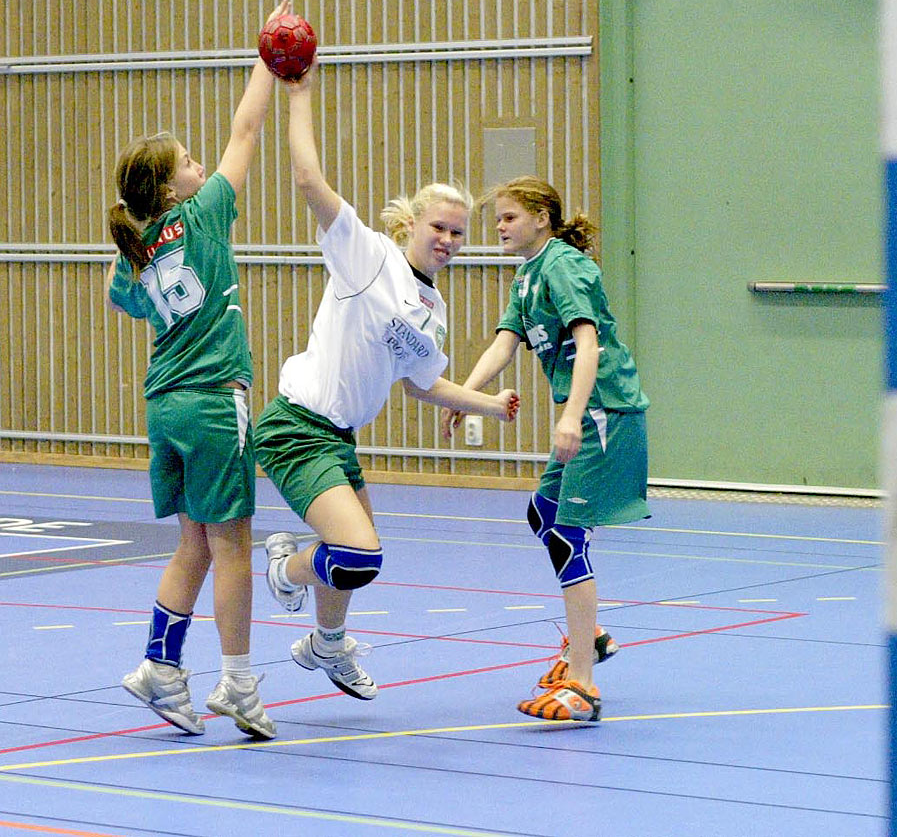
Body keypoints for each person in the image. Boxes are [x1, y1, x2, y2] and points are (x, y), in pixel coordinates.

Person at [254, 59, 519, 701]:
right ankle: (286, 572)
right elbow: (308, 178)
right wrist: (300, 94)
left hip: (338, 438)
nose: (449, 240)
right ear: (412, 227)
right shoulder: (367, 254)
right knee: (359, 557)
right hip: (297, 426)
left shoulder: (434, 310)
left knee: (353, 562)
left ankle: (325, 645)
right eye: (439, 228)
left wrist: (489, 402)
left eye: (459, 233)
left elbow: (424, 384)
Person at [109, 1, 291, 740]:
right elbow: (245, 131)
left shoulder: (134, 252)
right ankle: (239, 684)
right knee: (233, 545)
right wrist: (267, 59)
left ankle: (159, 664)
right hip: (218, 400)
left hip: (164, 406)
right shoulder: (206, 212)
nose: (199, 165)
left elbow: (130, 301)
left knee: (192, 542)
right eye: (187, 161)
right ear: (174, 187)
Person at [446, 176, 650, 722]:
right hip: (587, 410)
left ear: (541, 217)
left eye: (509, 217)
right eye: (497, 220)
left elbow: (589, 342)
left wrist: (569, 416)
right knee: (544, 514)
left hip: (604, 411)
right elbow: (504, 343)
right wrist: (466, 394)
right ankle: (593, 637)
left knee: (565, 534)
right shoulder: (528, 275)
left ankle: (582, 685)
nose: (500, 228)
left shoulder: (563, 267)